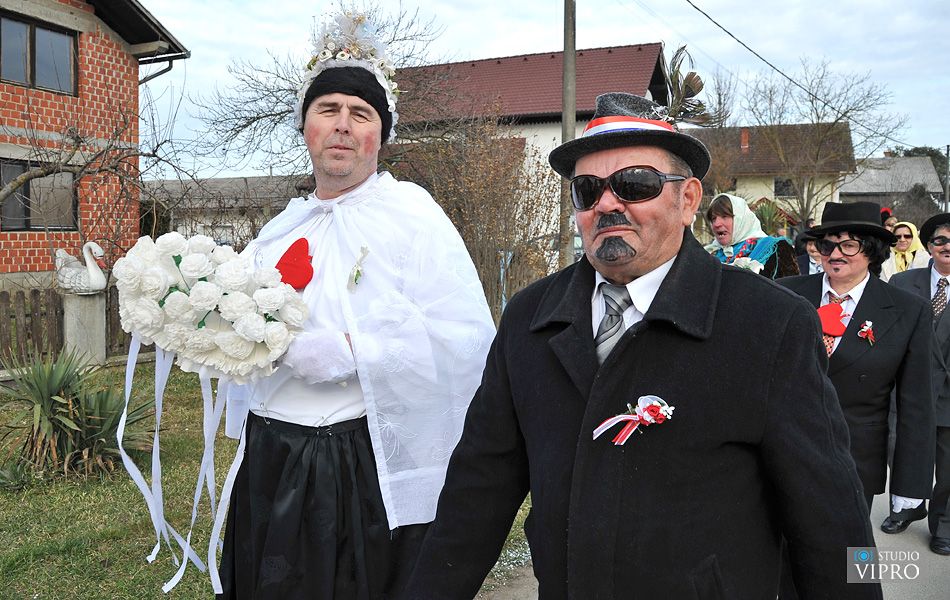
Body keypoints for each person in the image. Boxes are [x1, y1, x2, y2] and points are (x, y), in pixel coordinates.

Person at [403, 93, 880, 599]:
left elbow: (835, 514)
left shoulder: (769, 322)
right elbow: (477, 489)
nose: (607, 203)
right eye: (587, 190)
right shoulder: (530, 318)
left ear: (688, 200)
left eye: (635, 184)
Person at [216, 13, 496, 599]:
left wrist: (353, 351)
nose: (342, 126)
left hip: (357, 466)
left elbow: (466, 339)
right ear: (306, 127)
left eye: (360, 114)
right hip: (272, 457)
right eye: (328, 109)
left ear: (381, 135)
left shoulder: (412, 215)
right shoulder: (278, 230)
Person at [779, 202, 935, 517]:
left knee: (852, 556)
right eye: (827, 245)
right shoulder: (783, 295)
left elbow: (916, 405)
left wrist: (909, 484)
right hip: (785, 451)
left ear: (873, 251)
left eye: (849, 245)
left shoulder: (907, 310)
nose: (835, 254)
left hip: (856, 456)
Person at [885, 212, 950, 555]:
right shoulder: (902, 283)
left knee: (949, 464)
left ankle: (945, 523)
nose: (947, 246)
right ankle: (907, 505)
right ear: (929, 246)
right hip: (908, 390)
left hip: (949, 392)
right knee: (901, 450)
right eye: (940, 240)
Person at [704, 193, 799, 279]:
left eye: (724, 216)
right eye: (713, 218)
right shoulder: (710, 254)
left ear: (741, 220)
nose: (716, 224)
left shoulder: (777, 249)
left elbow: (791, 291)